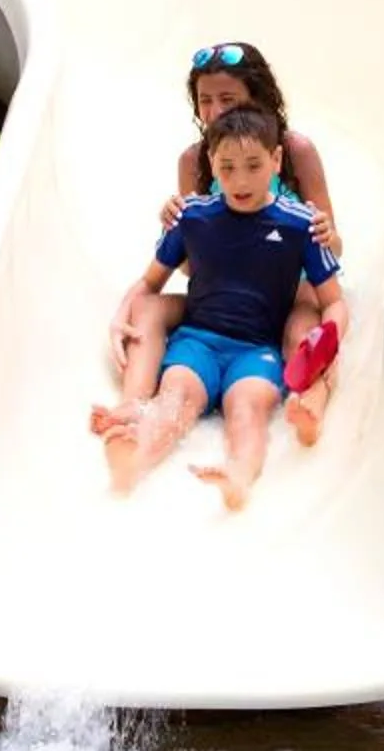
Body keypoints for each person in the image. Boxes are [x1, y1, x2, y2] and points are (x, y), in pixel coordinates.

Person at [91, 105, 347, 511]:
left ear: (276, 161)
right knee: (175, 398)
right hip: (197, 341)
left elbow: (333, 301)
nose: (240, 179)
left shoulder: (301, 225)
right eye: (226, 167)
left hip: (257, 350)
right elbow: (150, 282)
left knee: (246, 410)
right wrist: (122, 316)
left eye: (252, 165)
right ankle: (132, 460)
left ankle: (239, 475)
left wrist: (328, 342)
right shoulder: (192, 217)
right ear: (211, 162)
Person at [109, 41, 343, 445]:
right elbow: (188, 267)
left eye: (228, 99)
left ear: (259, 100)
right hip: (221, 296)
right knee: (147, 307)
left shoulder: (294, 152)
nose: (216, 111)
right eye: (205, 100)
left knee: (301, 324)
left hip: (290, 282)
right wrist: (175, 228)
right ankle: (133, 403)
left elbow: (333, 250)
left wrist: (323, 232)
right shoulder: (195, 161)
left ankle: (312, 399)